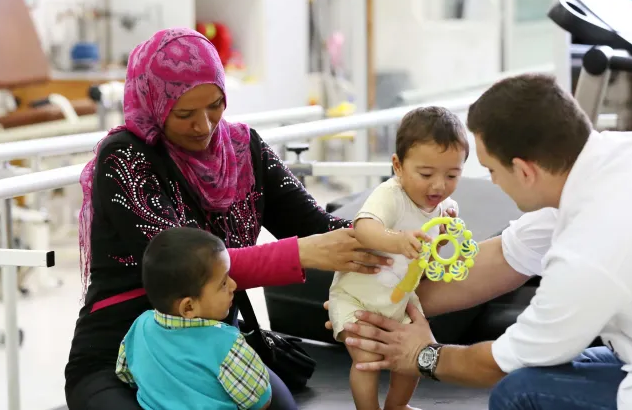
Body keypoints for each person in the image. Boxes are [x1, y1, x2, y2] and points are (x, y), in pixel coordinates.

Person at [327, 73, 632, 410]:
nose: (492, 182)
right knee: (551, 367)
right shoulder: (621, 156)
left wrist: (422, 355)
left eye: (490, 170)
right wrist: (375, 305)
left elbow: (499, 363)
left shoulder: (590, 247)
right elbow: (503, 259)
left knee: (519, 392)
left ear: (524, 170)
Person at [64, 27, 390, 410]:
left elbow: (318, 227)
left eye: (215, 105)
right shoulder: (125, 158)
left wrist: (397, 237)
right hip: (122, 352)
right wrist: (301, 253)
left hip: (211, 348)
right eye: (184, 114)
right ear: (153, 103)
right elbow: (186, 267)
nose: (204, 126)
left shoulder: (245, 149)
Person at [328, 106, 467, 410]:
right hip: (356, 298)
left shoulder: (445, 208)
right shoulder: (391, 195)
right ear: (398, 166)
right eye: (426, 174)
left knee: (413, 358)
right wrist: (398, 240)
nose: (439, 185)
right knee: (367, 360)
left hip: (399, 301)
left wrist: (442, 240)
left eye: (452, 175)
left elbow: (427, 263)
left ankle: (396, 406)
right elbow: (364, 229)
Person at [117, 227, 271, 410]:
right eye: (223, 283)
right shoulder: (226, 345)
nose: (233, 285)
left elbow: (125, 374)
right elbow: (261, 401)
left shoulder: (140, 327)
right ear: (188, 307)